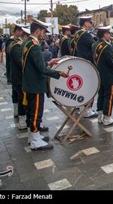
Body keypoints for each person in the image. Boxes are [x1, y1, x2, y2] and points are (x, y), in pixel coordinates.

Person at [21, 18, 68, 150]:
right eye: (43, 31)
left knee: (31, 112)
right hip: (35, 85)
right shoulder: (34, 47)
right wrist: (59, 73)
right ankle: (36, 141)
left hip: (29, 83)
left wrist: (49, 62)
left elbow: (35, 65)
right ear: (37, 31)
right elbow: (41, 69)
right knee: (36, 113)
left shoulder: (27, 43)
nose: (44, 34)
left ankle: (33, 137)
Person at [92, 25, 113, 126]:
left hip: (99, 74)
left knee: (101, 95)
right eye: (108, 33)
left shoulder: (94, 45)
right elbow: (111, 63)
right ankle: (107, 118)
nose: (109, 35)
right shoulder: (107, 46)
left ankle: (100, 116)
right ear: (104, 35)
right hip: (108, 75)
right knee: (109, 96)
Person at [74, 16, 97, 118]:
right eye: (90, 22)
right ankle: (87, 110)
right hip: (88, 63)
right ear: (86, 23)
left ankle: (83, 107)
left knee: (83, 86)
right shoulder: (85, 35)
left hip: (81, 62)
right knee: (90, 87)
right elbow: (94, 46)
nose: (91, 24)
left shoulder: (78, 33)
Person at [9, 25, 30, 129]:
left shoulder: (19, 45)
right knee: (23, 99)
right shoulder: (16, 46)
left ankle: (25, 120)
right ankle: (22, 122)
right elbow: (22, 63)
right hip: (19, 78)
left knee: (23, 99)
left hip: (20, 77)